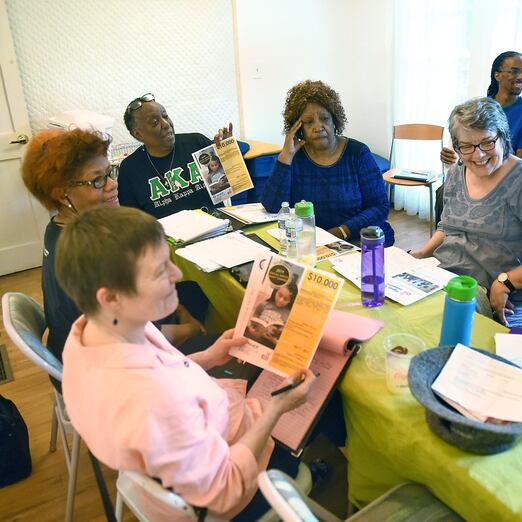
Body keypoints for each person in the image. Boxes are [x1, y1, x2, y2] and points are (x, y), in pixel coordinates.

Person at [56, 205, 319, 520]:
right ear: (111, 297)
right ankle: (307, 472)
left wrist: (206, 358)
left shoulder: (92, 329)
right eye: (159, 271)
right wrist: (276, 410)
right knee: (322, 401)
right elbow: (225, 487)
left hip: (204, 433)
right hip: (230, 487)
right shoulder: (153, 399)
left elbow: (156, 368)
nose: (177, 275)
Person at [20, 128, 206, 375]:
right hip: (110, 370)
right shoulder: (91, 257)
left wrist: (181, 312)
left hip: (103, 352)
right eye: (97, 180)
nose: (112, 184)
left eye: (109, 173)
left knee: (189, 293)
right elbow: (135, 341)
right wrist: (191, 329)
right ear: (62, 194)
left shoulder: (58, 229)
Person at [411, 97, 522, 328]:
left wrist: (505, 283)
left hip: (505, 297)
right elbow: (448, 227)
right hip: (446, 280)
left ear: (503, 137)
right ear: (456, 147)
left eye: (487, 143)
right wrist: (421, 254)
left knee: (464, 351)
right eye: (466, 146)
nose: (478, 155)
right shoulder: (458, 172)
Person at [261, 80, 394, 246]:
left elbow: (380, 207)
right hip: (310, 243)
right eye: (309, 122)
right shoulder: (294, 157)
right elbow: (273, 207)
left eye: (325, 119)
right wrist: (285, 157)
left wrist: (342, 231)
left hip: (357, 238)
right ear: (298, 128)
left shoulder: (358, 153)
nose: (318, 127)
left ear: (335, 121)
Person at [118, 93, 247, 219]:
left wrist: (229, 153)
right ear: (138, 134)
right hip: (168, 239)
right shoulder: (130, 169)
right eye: (155, 122)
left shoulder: (196, 142)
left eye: (165, 116)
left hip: (216, 229)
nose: (166, 124)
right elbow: (133, 221)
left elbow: (236, 182)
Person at [441, 51, 522, 165]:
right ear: (497, 75)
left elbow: (518, 167)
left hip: (507, 180)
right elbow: (468, 150)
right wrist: (455, 158)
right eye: (514, 71)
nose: (521, 77)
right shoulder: (478, 108)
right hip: (474, 174)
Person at [245, 283, 298, 348]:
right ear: (276, 291)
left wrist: (275, 342)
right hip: (254, 338)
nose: (280, 300)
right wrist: (251, 327)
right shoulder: (265, 304)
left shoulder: (289, 315)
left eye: (286, 299)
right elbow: (255, 315)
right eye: (279, 295)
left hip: (270, 345)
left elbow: (287, 340)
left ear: (291, 301)